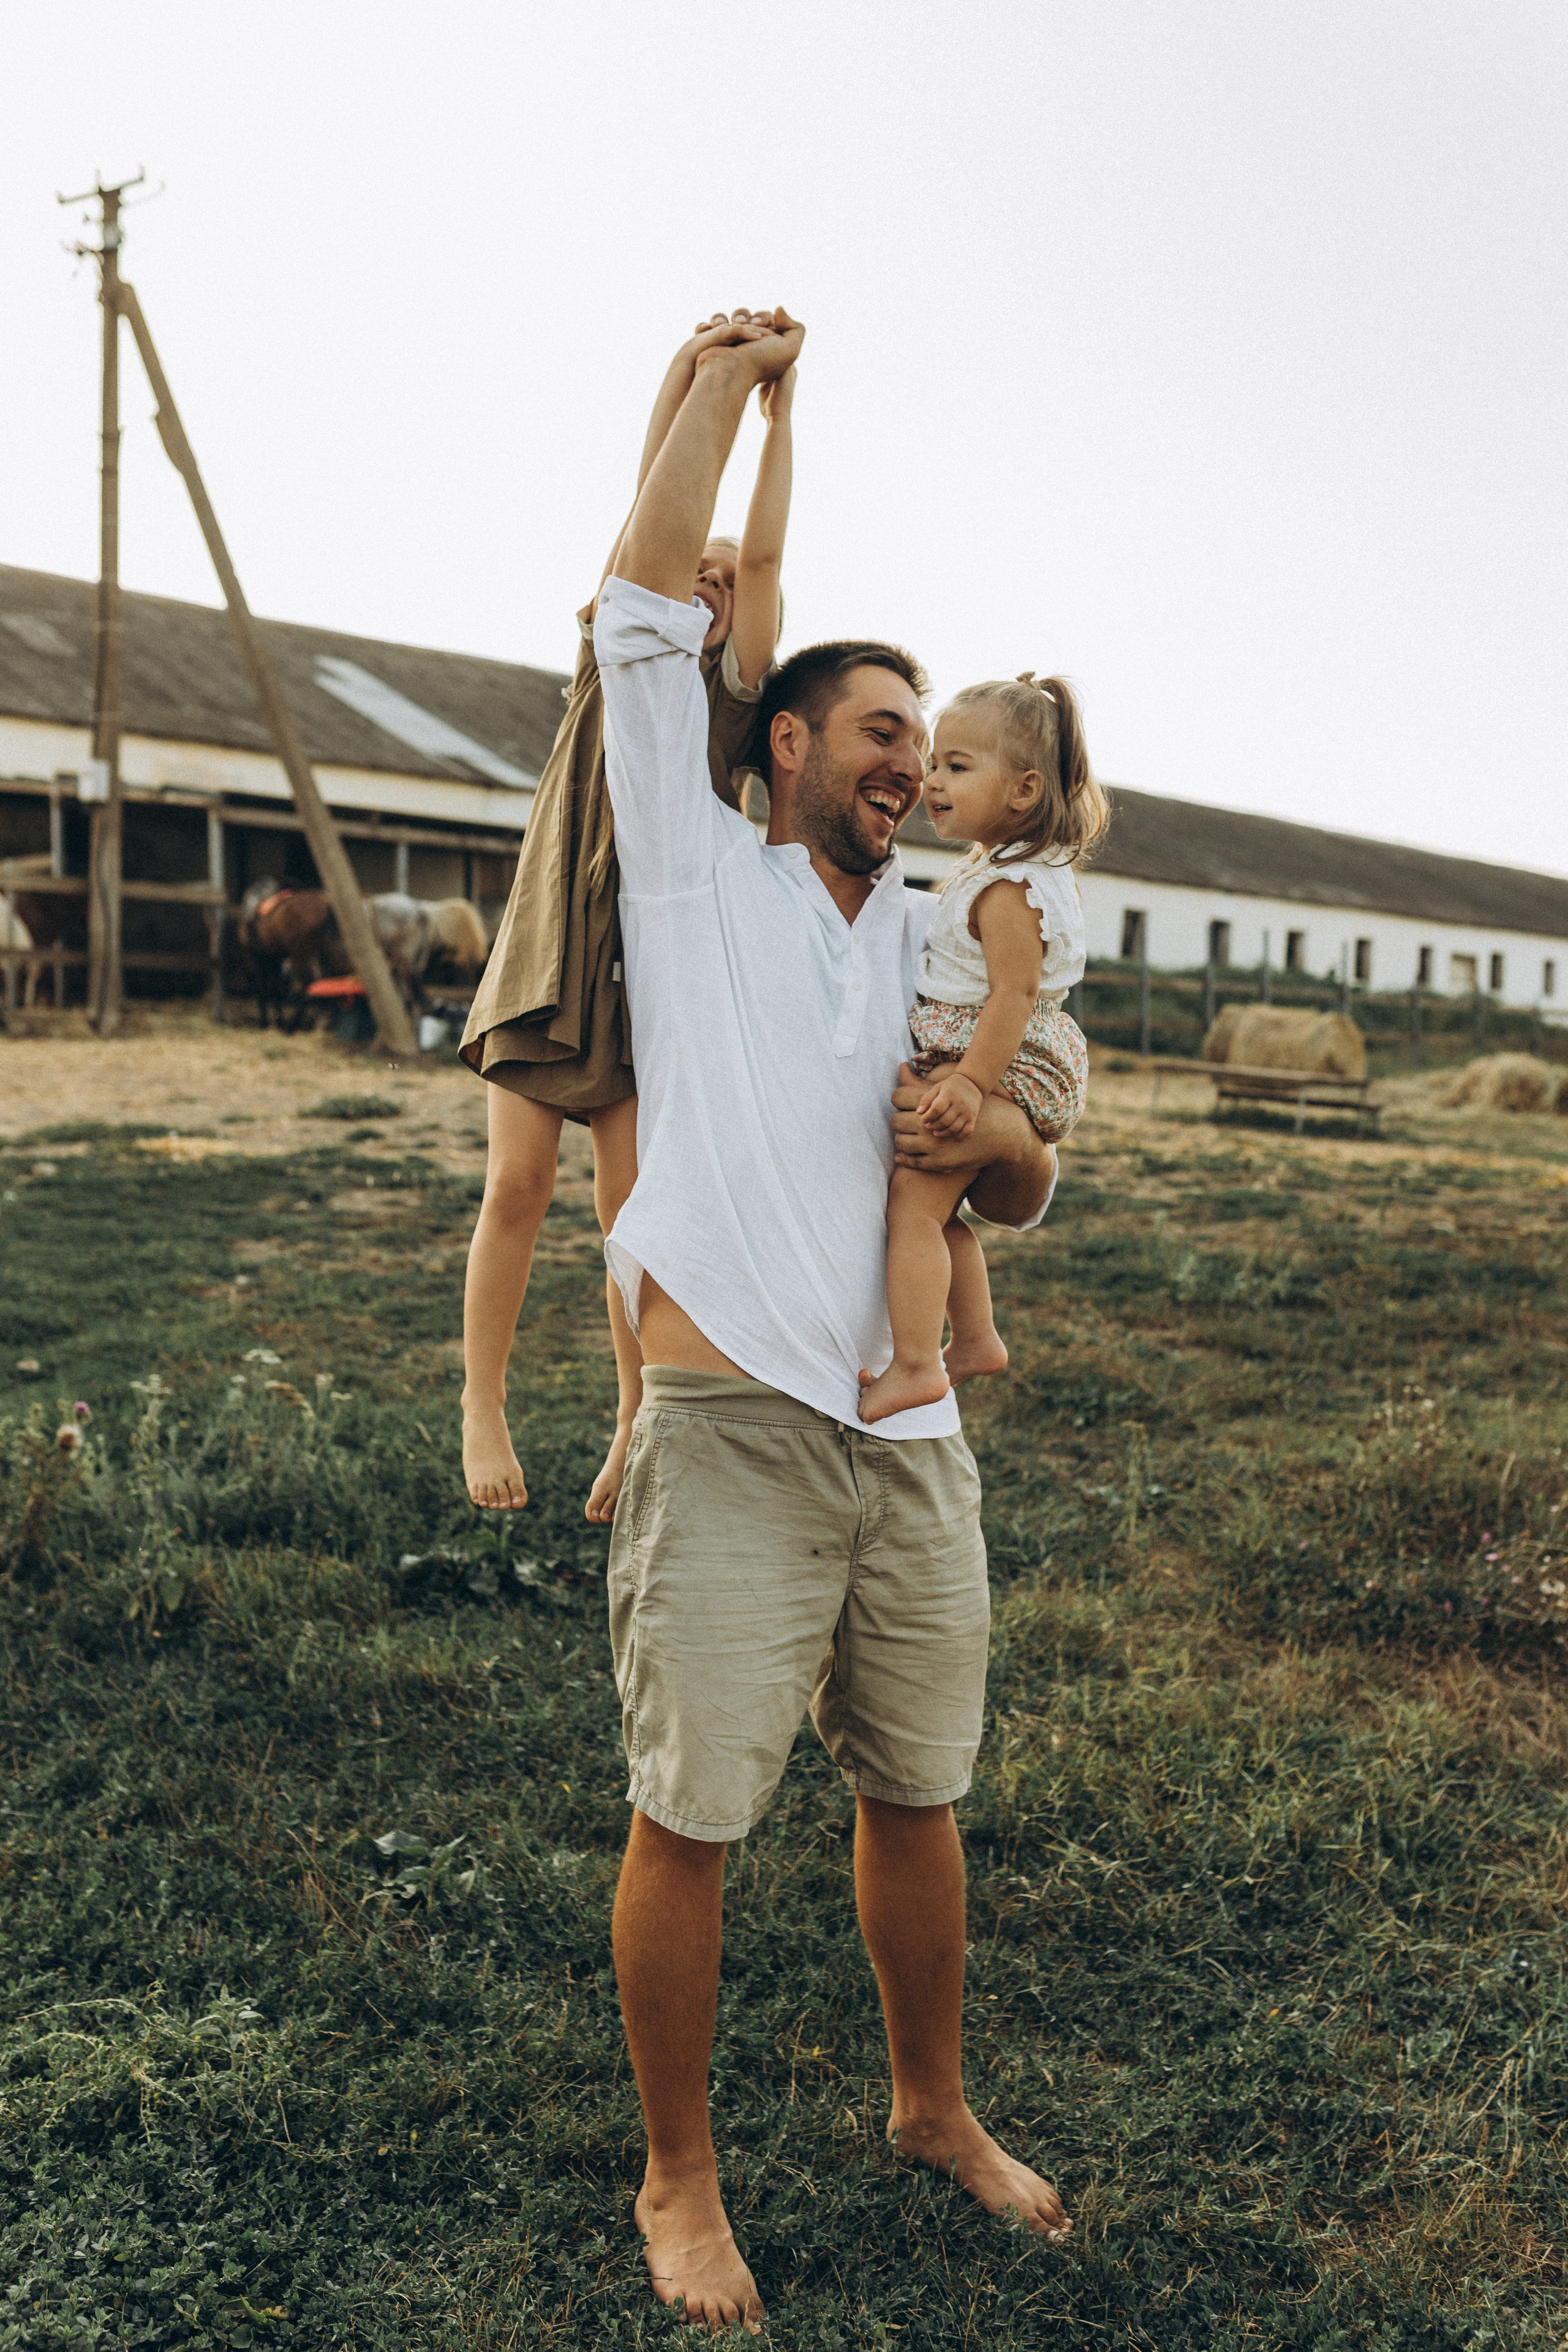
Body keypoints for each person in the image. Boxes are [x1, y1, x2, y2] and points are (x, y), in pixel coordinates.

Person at [594, 308, 1071, 2336]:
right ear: (785, 745)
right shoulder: (695, 876)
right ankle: (678, 2175)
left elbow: (1020, 1185)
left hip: (912, 1443)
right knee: (693, 1811)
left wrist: (992, 1133)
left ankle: (932, 2107)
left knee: (919, 1793)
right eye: (880, 727)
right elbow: (642, 614)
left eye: (925, 739)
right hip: (734, 1430)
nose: (910, 759)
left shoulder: (941, 941)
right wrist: (721, 387)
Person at [458, 317, 795, 1522]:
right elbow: (652, 492)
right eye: (689, 563)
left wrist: (778, 418)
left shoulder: (736, 703)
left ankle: (630, 1415)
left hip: (654, 971)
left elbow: (762, 558)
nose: (706, 579)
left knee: (632, 1216)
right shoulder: (610, 654)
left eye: (722, 580)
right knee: (515, 1187)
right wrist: (690, 372)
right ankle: (481, 1403)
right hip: (551, 947)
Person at [857, 676, 1106, 1425]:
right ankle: (974, 1339)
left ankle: (914, 1365)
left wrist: (968, 1084)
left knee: (912, 1212)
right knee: (938, 1214)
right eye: (935, 763)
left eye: (956, 766)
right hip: (1000, 1060)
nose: (931, 780)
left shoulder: (1006, 887)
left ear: (1025, 789)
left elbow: (1013, 996)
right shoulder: (1020, 872)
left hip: (996, 1063)